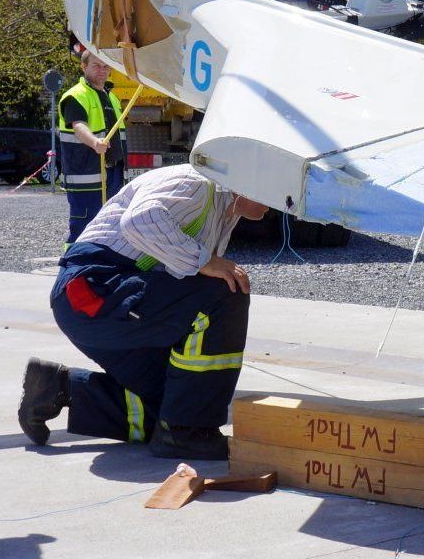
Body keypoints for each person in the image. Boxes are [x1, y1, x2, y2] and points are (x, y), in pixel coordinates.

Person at [18, 164, 267, 460]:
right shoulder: (196, 183)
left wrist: (202, 264)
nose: (281, 203)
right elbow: (139, 220)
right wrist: (203, 261)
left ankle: (60, 388)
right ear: (245, 180)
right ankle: (186, 434)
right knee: (226, 293)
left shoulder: (222, 211)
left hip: (105, 304)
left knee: (177, 404)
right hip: (94, 293)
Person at [57, 50, 127, 245]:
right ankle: (72, 268)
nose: (102, 71)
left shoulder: (111, 97)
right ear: (84, 66)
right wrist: (95, 142)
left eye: (106, 66)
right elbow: (78, 125)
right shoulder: (76, 96)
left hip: (112, 174)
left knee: (110, 226)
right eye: (96, 66)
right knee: (83, 228)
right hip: (86, 177)